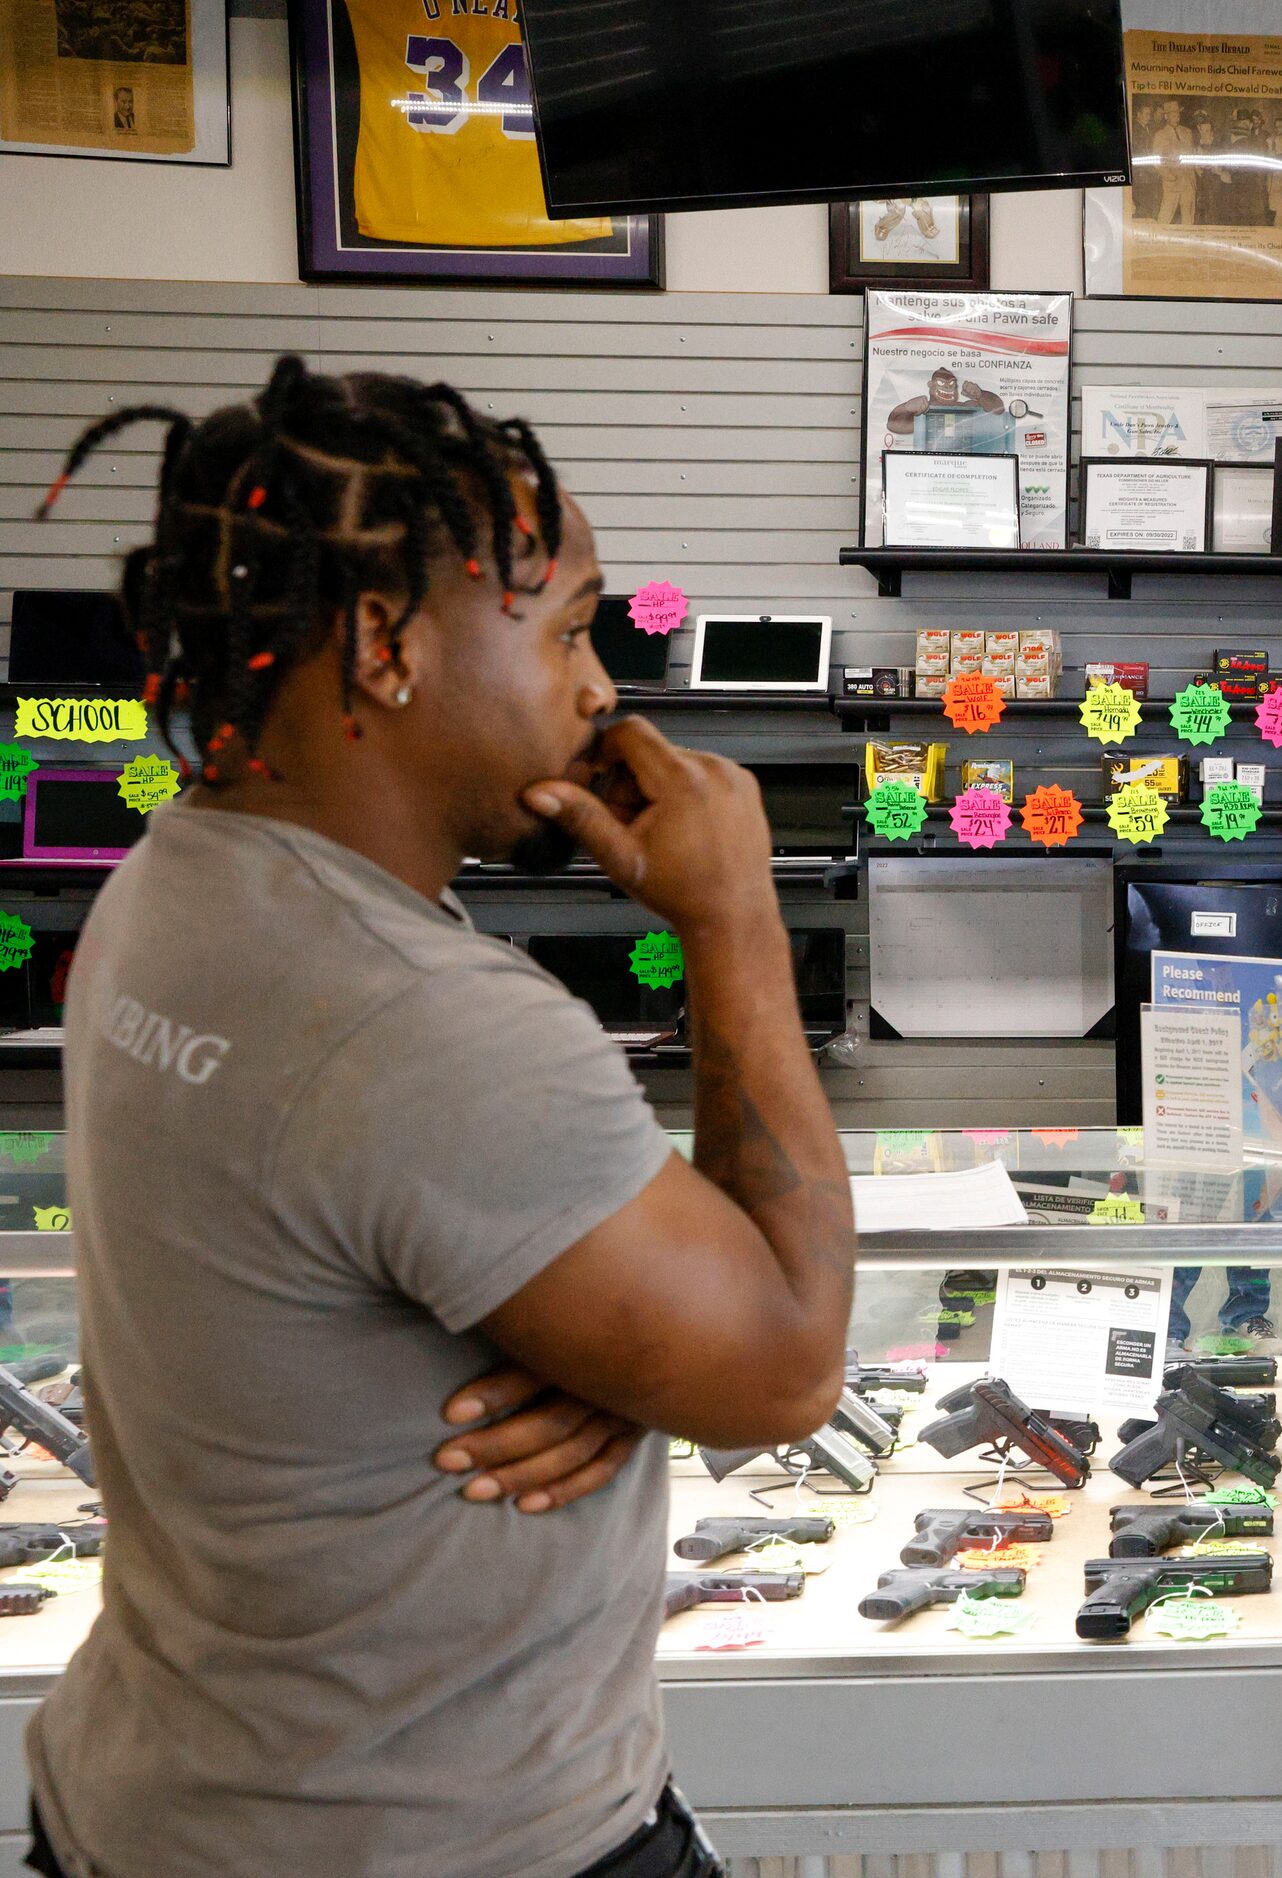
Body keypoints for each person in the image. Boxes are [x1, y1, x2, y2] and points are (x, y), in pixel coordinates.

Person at [24, 357, 857, 1877]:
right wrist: (738, 922)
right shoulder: (426, 1025)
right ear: (385, 644)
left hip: (159, 1800)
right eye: (566, 627)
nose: (603, 689)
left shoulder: (174, 879)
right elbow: (788, 1358)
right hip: (453, 1839)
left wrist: (614, 1347)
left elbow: (342, 1246)